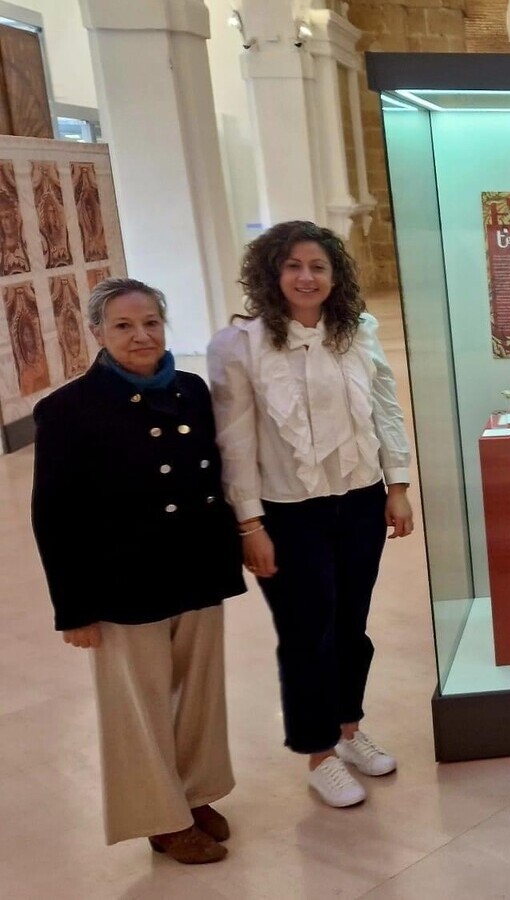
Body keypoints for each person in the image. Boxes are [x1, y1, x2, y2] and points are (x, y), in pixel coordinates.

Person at [32, 278, 245, 864]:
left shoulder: (193, 390)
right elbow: (54, 517)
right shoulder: (67, 410)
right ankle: (160, 816)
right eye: (124, 326)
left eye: (151, 322)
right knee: (139, 704)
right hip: (123, 582)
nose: (141, 335)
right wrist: (73, 608)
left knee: (201, 693)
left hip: (198, 566)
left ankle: (197, 792)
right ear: (97, 333)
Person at [208, 220, 415, 808]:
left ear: (334, 276)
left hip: (358, 497)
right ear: (272, 274)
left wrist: (396, 485)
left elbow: (385, 411)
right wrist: (249, 524)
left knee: (351, 622)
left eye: (318, 267)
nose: (306, 276)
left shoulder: (356, 331)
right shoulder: (240, 345)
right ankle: (318, 751)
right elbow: (236, 441)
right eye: (293, 266)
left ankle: (348, 729)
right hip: (286, 510)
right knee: (307, 631)